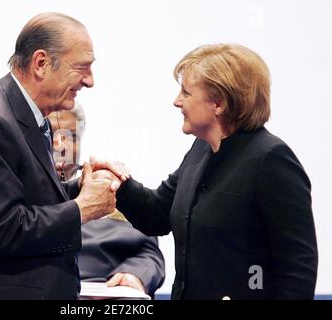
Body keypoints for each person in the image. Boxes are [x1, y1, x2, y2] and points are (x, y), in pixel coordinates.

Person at [0, 12, 126, 300]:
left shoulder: (26, 113)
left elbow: (26, 196)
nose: (90, 81)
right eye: (82, 68)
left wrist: (79, 188)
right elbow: (4, 229)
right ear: (41, 63)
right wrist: (82, 208)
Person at [100, 44, 318, 299]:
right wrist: (118, 181)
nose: (176, 101)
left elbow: (297, 265)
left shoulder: (271, 159)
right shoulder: (200, 150)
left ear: (218, 104)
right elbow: (157, 213)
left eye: (186, 92)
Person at [49, 105, 165, 296]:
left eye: (72, 136)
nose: (63, 146)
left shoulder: (106, 188)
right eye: (53, 134)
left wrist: (134, 275)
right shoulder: (15, 196)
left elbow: (147, 253)